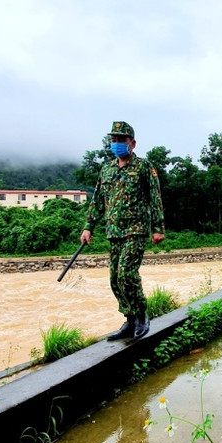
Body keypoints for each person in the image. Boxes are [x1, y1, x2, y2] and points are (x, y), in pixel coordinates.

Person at [80, 121, 166, 340]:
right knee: (114, 279)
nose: (117, 143)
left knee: (126, 273)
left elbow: (155, 198)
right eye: (114, 139)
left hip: (136, 229)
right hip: (113, 231)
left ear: (133, 143)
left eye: (122, 140)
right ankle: (129, 320)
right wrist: (89, 226)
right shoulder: (106, 169)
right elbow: (98, 200)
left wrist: (158, 228)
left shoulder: (144, 167)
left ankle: (141, 316)